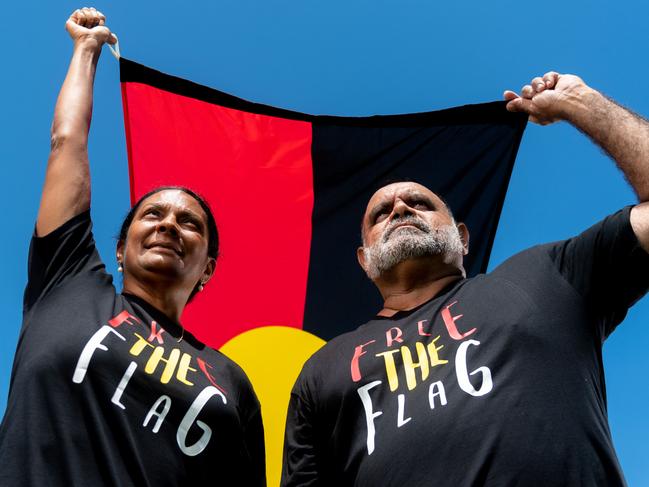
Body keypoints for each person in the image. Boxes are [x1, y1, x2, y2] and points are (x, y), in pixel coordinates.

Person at [281, 71, 649, 486]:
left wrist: (581, 103)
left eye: (419, 202)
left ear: (462, 237)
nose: (401, 208)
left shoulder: (547, 275)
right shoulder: (320, 372)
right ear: (364, 261)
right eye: (380, 214)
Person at [0, 8, 265, 486]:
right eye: (152, 215)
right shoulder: (69, 283)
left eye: (190, 223)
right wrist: (85, 50)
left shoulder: (230, 381)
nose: (168, 225)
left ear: (207, 269)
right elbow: (66, 143)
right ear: (119, 250)